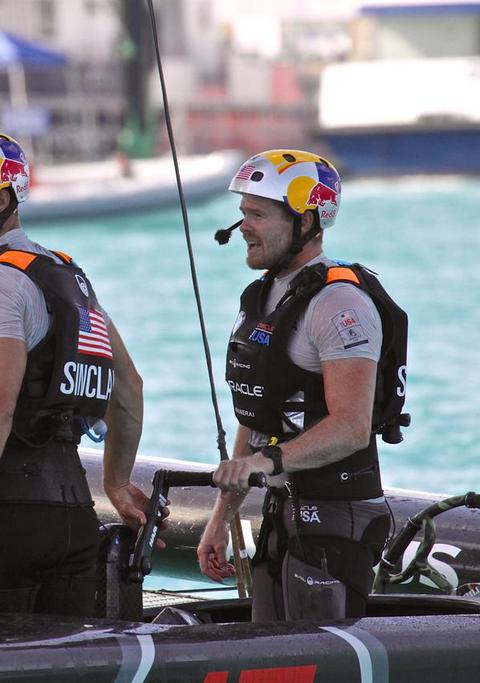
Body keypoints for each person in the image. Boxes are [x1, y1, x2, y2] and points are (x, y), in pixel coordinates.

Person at [0, 131, 153, 617]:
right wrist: (116, 482)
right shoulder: (63, 273)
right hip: (73, 521)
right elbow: (128, 389)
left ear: (1, 197)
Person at [197, 150, 408, 621]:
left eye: (257, 214)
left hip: (335, 521)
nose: (243, 227)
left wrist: (264, 461)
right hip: (281, 514)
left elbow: (352, 426)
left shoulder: (339, 303)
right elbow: (255, 417)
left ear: (306, 220)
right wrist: (221, 517)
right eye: (242, 214)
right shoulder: (262, 295)